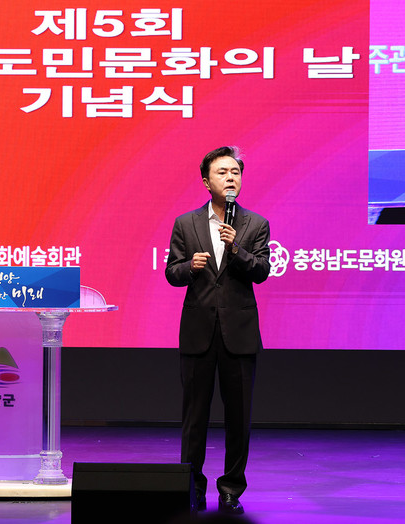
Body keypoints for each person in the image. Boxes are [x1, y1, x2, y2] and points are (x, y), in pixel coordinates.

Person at [165, 146, 270, 515]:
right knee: (194, 418)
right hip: (198, 333)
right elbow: (172, 273)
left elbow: (261, 271)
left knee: (238, 418)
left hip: (239, 334)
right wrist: (189, 267)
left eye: (235, 172)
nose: (230, 178)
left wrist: (235, 248)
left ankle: (230, 489)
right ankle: (192, 487)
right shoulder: (186, 223)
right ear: (206, 181)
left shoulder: (255, 224)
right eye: (222, 172)